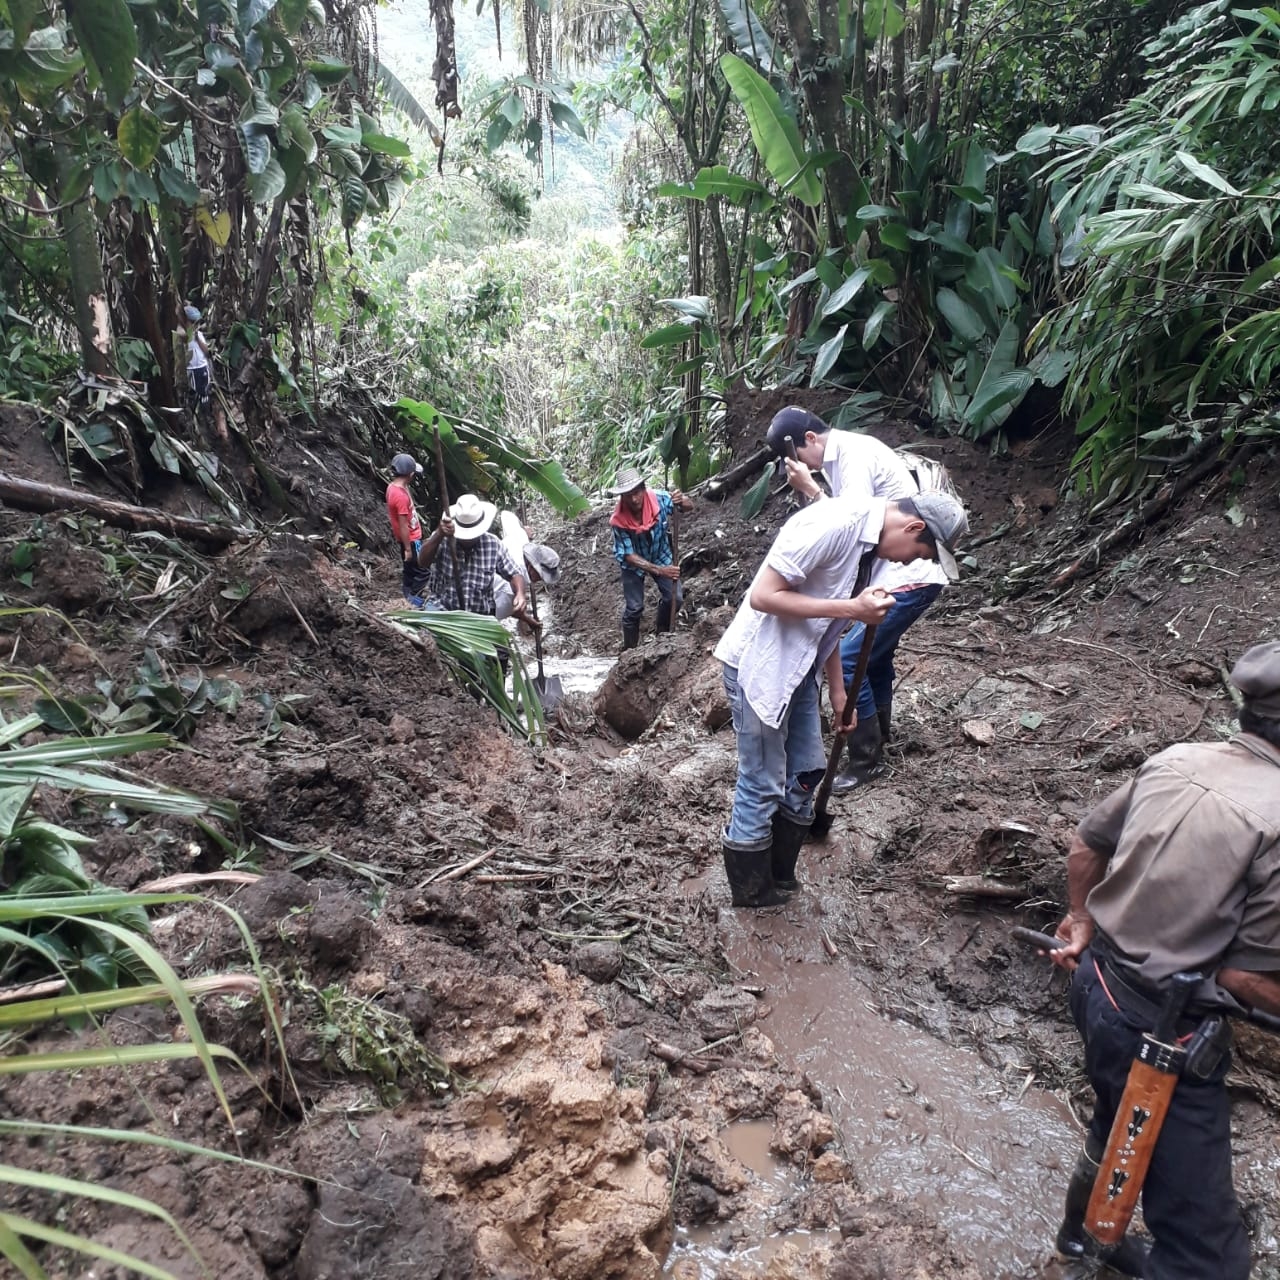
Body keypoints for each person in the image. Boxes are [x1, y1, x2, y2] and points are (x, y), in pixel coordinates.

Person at [1046, 640, 1280, 1280]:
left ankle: (1079, 1238)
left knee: (1113, 1113)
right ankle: (1114, 1245)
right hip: (1164, 1029)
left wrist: (1083, 917)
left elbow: (1085, 845)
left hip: (1094, 984)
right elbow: (1244, 978)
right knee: (1210, 1258)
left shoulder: (1177, 758)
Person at [713, 490, 968, 908]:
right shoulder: (835, 525)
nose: (911, 563)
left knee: (807, 772)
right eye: (921, 552)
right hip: (761, 664)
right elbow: (763, 596)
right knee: (762, 780)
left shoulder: (869, 551)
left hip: (801, 667)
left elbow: (825, 624)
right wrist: (853, 609)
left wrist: (837, 690)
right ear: (914, 527)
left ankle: (780, 875)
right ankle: (752, 894)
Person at [767, 406, 956, 794]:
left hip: (908, 575)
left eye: (799, 459)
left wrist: (811, 489)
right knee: (877, 656)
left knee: (852, 658)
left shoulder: (851, 455)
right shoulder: (846, 455)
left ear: (810, 440)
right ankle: (880, 734)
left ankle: (865, 757)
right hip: (905, 574)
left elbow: (848, 524)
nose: (803, 466)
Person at [609, 466, 694, 650]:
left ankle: (661, 637)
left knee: (675, 598)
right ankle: (629, 651)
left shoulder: (661, 499)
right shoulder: (618, 519)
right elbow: (628, 555)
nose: (634, 499)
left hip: (660, 553)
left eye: (637, 492)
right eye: (628, 495)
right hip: (633, 564)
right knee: (634, 608)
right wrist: (659, 570)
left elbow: (689, 506)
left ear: (643, 488)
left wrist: (682, 500)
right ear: (622, 497)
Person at [417, 493, 527, 619]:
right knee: (424, 635)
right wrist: (438, 535)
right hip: (442, 609)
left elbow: (514, 573)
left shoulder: (493, 544)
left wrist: (520, 593)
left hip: (478, 615)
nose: (468, 539)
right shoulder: (442, 538)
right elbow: (422, 562)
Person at [491, 510, 561, 629]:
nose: (539, 580)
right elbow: (499, 613)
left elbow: (506, 515)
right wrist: (527, 619)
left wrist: (523, 530)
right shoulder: (511, 590)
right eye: (540, 576)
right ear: (532, 568)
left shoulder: (519, 538)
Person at [386, 453, 426, 607]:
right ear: (410, 475)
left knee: (409, 568)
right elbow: (403, 524)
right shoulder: (401, 497)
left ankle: (406, 593)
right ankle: (414, 600)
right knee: (423, 571)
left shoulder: (392, 487)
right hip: (412, 539)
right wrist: (409, 549)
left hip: (406, 539)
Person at [181, 304, 212, 411]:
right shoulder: (181, 335)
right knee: (193, 393)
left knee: (204, 391)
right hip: (190, 369)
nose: (195, 325)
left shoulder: (198, 334)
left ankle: (205, 411)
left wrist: (197, 338)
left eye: (197, 323)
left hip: (202, 366)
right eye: (192, 322)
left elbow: (207, 352)